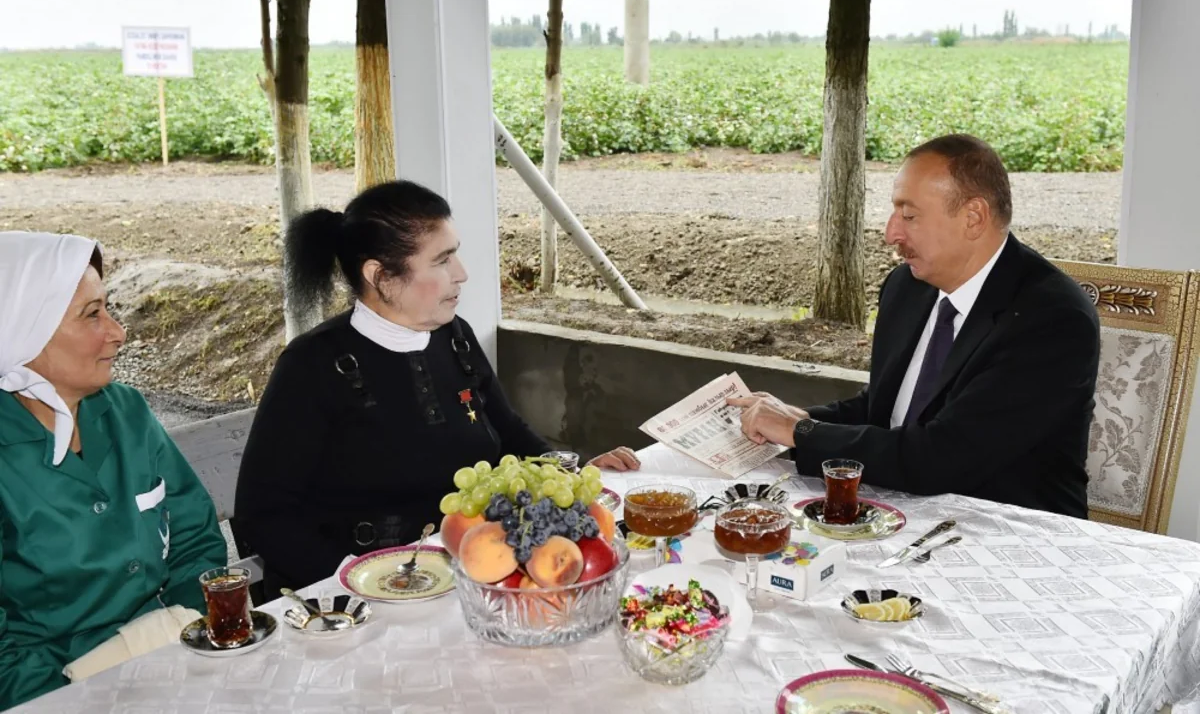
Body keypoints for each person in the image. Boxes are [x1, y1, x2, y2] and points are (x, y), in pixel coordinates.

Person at [234, 180, 639, 597]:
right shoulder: (312, 364)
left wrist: (572, 475)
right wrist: (356, 578)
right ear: (380, 276)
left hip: (466, 570)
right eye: (443, 260)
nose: (461, 273)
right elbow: (263, 514)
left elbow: (509, 433)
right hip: (357, 596)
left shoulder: (454, 336)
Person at [731, 134, 1100, 518]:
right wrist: (795, 418)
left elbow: (943, 456)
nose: (891, 233)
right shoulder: (907, 287)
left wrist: (801, 432)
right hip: (902, 503)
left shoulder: (1052, 319)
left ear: (973, 217)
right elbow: (883, 410)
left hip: (1009, 524)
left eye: (909, 216)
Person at [0, 232, 227, 710]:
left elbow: (194, 538)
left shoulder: (126, 411)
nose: (118, 332)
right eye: (92, 315)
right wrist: (67, 699)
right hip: (50, 688)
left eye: (109, 309)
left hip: (172, 651)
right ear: (22, 328)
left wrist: (189, 630)